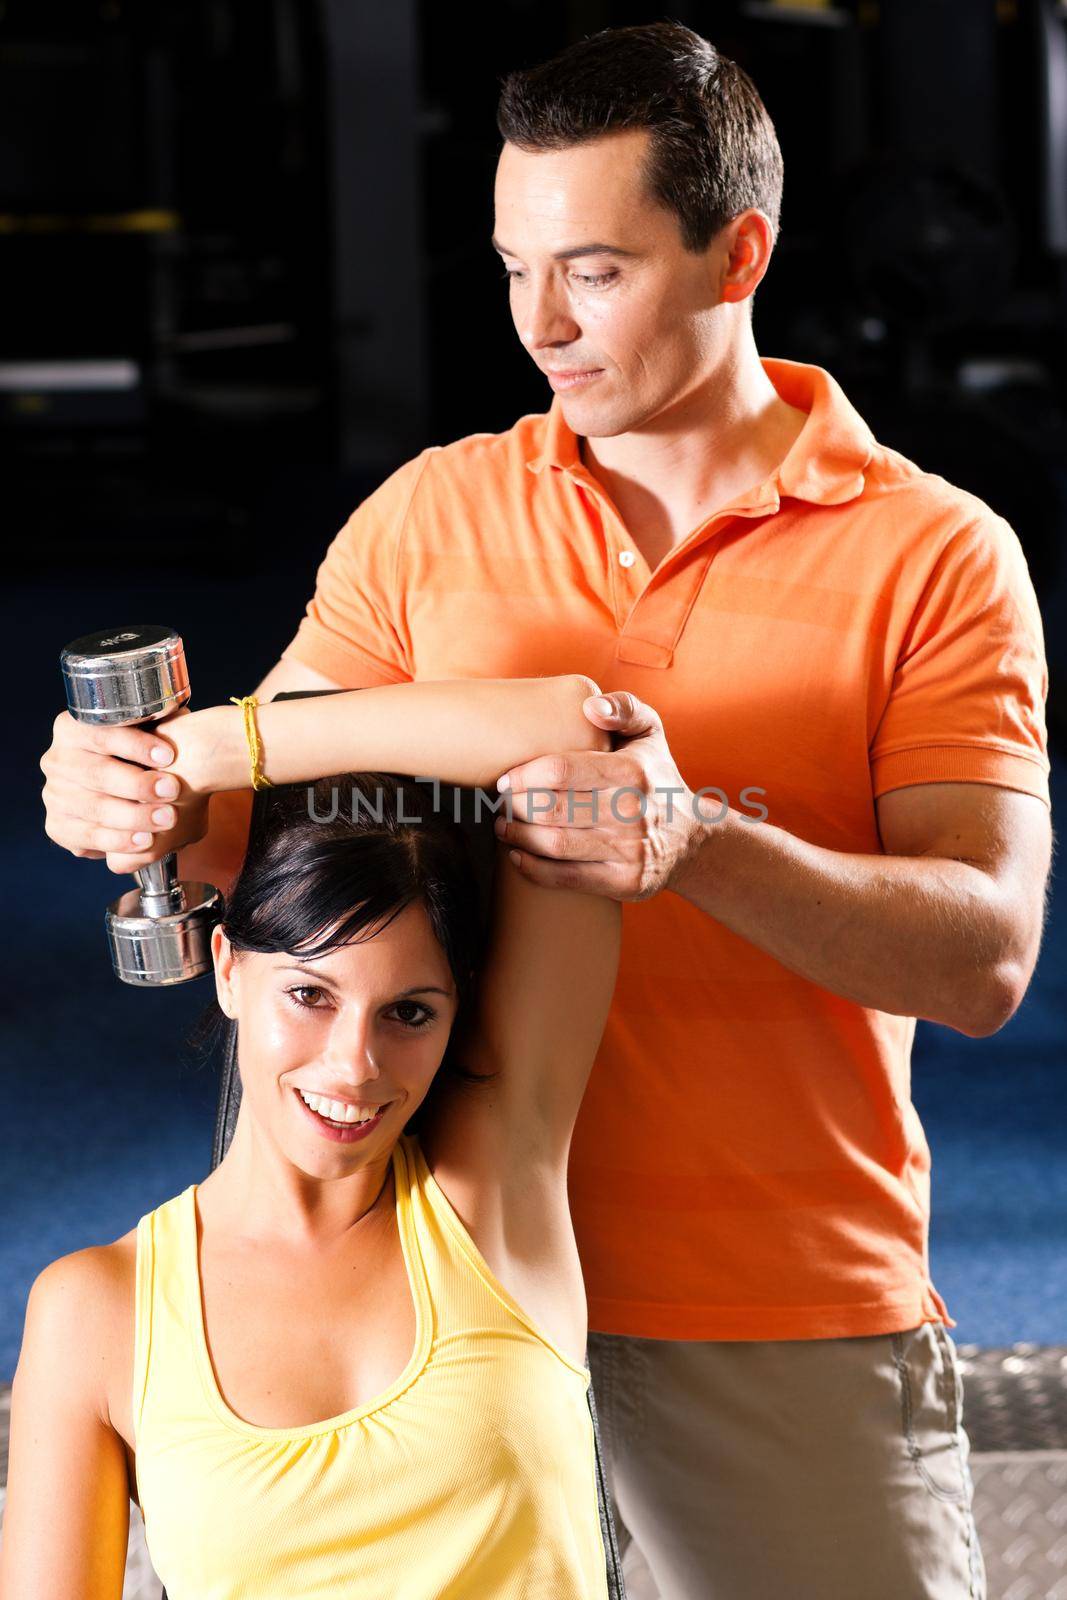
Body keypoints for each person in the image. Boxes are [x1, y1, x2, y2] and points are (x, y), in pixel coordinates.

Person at [38, 21, 1054, 1600]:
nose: (539, 323)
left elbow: (981, 955)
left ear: (738, 255)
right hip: (429, 1291)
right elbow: (258, 841)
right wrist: (134, 794)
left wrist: (697, 844)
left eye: (592, 268)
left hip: (769, 1301)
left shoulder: (934, 556)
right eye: (512, 267)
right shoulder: (432, 516)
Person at [6, 675, 623, 1599]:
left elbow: (580, 748)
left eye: (409, 1012)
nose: (353, 1066)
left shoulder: (495, 1195)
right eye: (309, 994)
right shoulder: (98, 1311)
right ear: (225, 969)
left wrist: (215, 751)